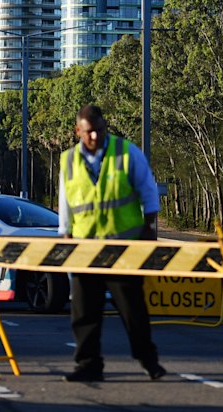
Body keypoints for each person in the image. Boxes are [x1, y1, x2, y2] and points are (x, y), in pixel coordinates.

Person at [59, 104, 166, 382]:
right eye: (89, 132)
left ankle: (148, 360)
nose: (95, 136)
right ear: (78, 131)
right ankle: (88, 365)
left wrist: (149, 229)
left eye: (99, 130)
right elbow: (66, 202)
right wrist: (65, 234)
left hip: (123, 247)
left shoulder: (126, 152)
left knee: (133, 309)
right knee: (84, 312)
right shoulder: (68, 160)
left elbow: (148, 191)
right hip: (85, 248)